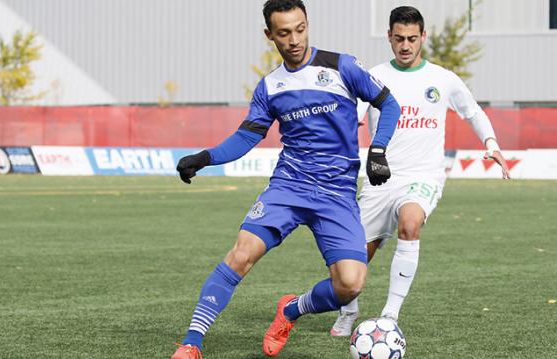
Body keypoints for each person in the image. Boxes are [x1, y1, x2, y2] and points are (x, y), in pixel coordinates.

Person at [170, 0, 401, 357]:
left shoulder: (342, 66)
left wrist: (378, 149)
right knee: (240, 255)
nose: (294, 39)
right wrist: (205, 158)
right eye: (284, 33)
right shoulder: (270, 87)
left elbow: (389, 103)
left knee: (351, 285)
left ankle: (291, 309)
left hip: (336, 193)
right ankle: (191, 342)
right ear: (269, 35)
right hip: (289, 187)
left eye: (300, 28)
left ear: (307, 24)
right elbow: (248, 137)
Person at [329, 5, 511, 337]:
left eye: (413, 38)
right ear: (389, 37)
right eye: (399, 38)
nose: (406, 45)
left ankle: (389, 315)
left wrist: (491, 142)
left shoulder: (443, 78)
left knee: (410, 225)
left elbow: (473, 111)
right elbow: (348, 118)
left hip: (423, 176)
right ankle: (348, 309)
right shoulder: (374, 77)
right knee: (352, 265)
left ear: (423, 37)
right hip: (379, 179)